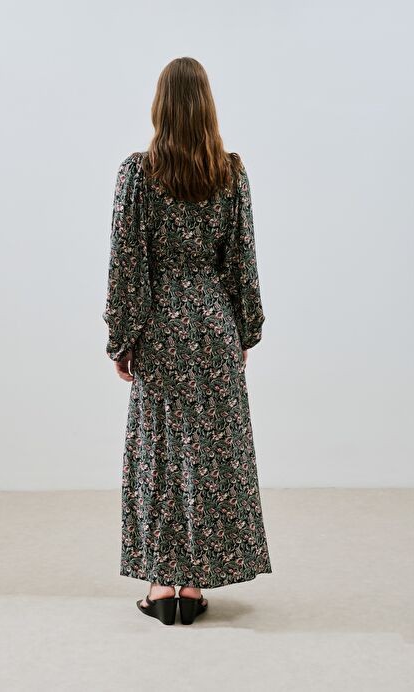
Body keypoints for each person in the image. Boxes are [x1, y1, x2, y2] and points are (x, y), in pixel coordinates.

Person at [103, 57, 272, 626]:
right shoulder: (230, 173)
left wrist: (123, 338)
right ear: (207, 107)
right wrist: (243, 330)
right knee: (210, 453)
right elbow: (242, 261)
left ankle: (160, 587)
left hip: (160, 328)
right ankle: (195, 587)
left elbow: (126, 264)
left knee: (160, 453)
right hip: (213, 325)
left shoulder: (137, 173)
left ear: (160, 106)